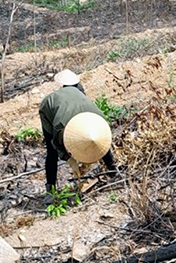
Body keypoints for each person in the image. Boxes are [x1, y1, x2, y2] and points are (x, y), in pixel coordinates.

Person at [39, 70, 117, 199]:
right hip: (55, 115)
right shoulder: (82, 96)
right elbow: (102, 132)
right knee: (97, 139)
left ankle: (50, 191)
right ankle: (113, 170)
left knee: (51, 153)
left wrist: (75, 160)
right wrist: (71, 160)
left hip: (64, 121)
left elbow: (57, 143)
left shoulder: (54, 98)